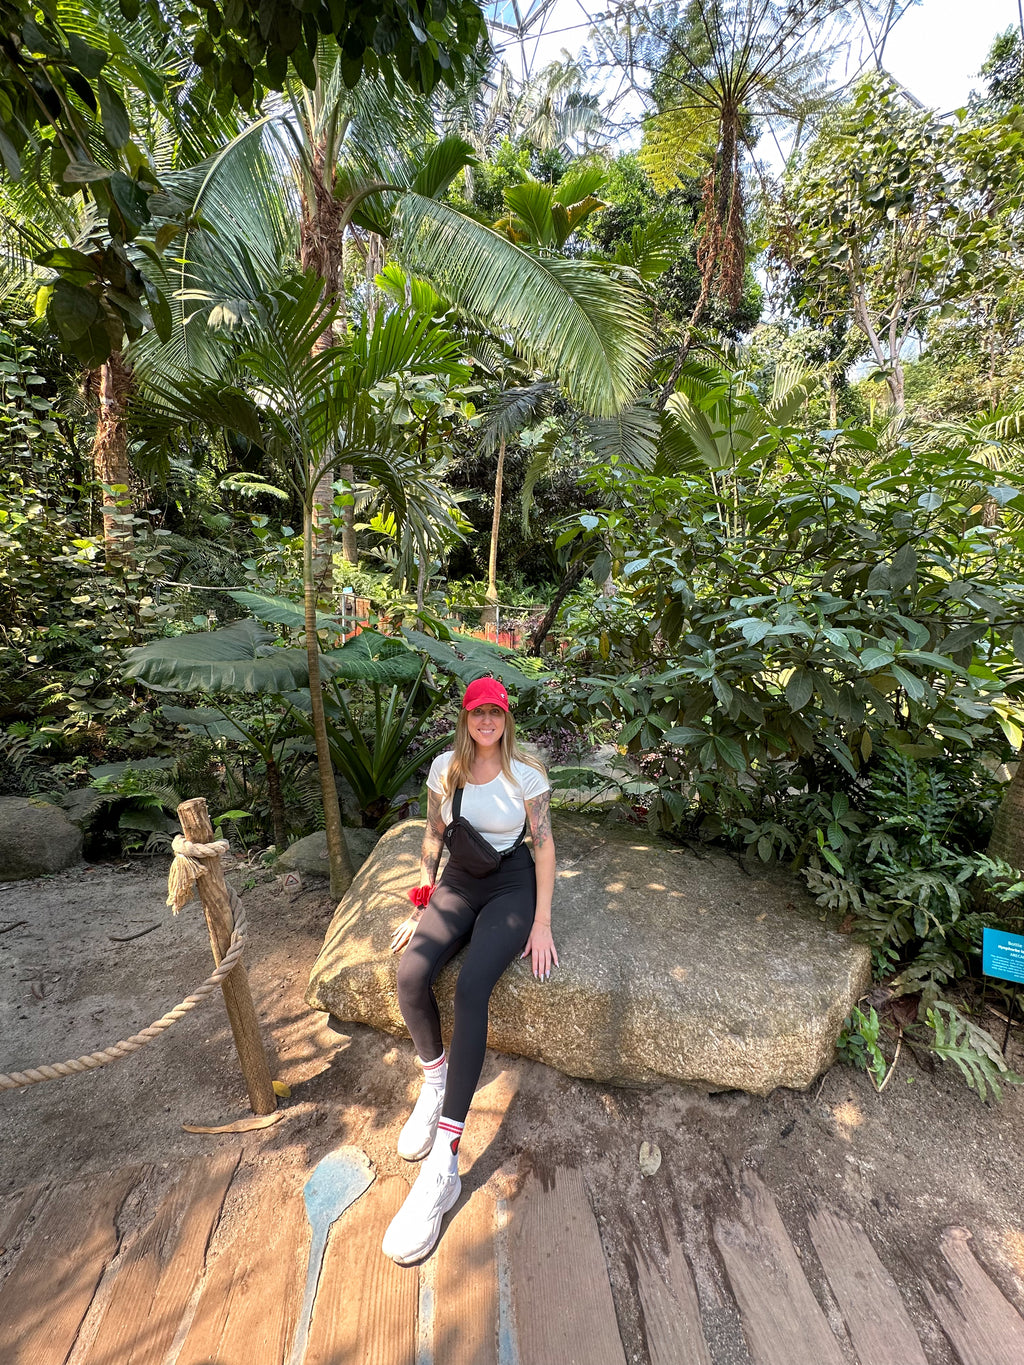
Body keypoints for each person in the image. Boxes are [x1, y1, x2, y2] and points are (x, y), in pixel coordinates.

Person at [381, 675, 557, 1265]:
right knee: (412, 974)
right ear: (466, 718)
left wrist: (542, 922)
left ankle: (444, 1163)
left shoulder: (525, 775)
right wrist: (426, 895)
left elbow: (544, 846)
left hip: (510, 888)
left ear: (506, 720)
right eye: (478, 713)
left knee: (473, 988)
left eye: (496, 714)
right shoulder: (445, 768)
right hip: (458, 882)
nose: (487, 722)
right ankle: (435, 1082)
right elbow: (434, 833)